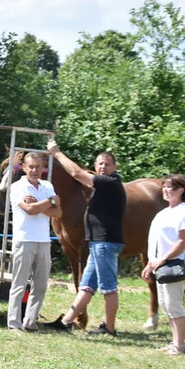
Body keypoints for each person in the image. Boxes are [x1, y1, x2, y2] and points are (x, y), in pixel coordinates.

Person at [44, 142, 127, 336]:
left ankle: (109, 328)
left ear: (114, 167)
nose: (102, 167)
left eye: (107, 164)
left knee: (108, 288)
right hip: (98, 243)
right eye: (99, 164)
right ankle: (66, 322)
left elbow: (77, 174)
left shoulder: (110, 183)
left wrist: (56, 153)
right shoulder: (104, 184)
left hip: (105, 243)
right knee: (87, 286)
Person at [7, 153, 61, 331]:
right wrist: (50, 202)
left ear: (43, 168)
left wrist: (41, 204)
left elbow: (58, 213)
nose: (35, 170)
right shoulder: (17, 187)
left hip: (44, 241)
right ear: (24, 168)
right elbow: (29, 210)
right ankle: (14, 323)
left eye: (38, 167)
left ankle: (30, 321)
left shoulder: (47, 186)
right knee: (19, 284)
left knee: (41, 285)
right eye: (31, 166)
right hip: (24, 240)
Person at [142, 174, 185, 356]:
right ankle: (174, 342)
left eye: (170, 187)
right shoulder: (163, 213)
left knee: (174, 305)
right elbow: (157, 242)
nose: (166, 190)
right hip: (160, 264)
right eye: (164, 186)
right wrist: (150, 264)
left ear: (181, 190)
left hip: (174, 263)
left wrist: (163, 259)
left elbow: (183, 240)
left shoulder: (183, 211)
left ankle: (179, 345)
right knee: (166, 305)